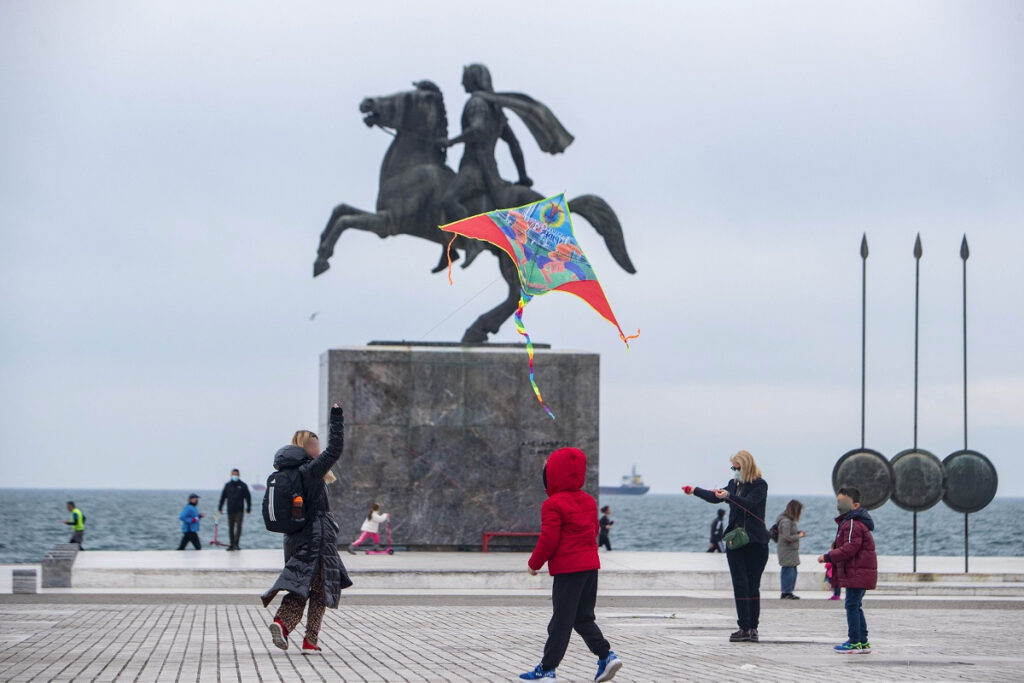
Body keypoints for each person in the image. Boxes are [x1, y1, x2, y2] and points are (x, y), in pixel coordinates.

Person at [520, 447, 622, 681]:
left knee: (561, 621)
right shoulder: (587, 500)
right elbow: (594, 531)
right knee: (583, 617)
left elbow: (549, 539)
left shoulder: (553, 504)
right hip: (590, 568)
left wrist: (534, 563)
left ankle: (547, 669)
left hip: (569, 570)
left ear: (554, 474)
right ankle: (606, 655)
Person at [261, 405, 352, 654]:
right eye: (314, 446)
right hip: (317, 539)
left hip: (294, 538)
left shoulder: (289, 473)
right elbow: (336, 449)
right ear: (304, 447)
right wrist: (337, 418)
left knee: (302, 583)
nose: (318, 450)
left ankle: (286, 625)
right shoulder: (311, 470)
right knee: (320, 589)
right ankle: (303, 636)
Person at [685, 450, 769, 642]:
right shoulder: (733, 484)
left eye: (736, 468)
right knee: (740, 585)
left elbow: (748, 504)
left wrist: (729, 496)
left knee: (752, 586)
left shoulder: (759, 485)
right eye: (733, 468)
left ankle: (752, 628)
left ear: (745, 466)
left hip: (756, 542)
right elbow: (716, 497)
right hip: (736, 542)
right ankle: (743, 627)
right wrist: (695, 490)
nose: (734, 471)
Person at [817, 486, 877, 654]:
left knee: (851, 605)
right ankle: (863, 641)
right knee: (856, 605)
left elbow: (850, 548)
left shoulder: (852, 523)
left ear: (855, 505)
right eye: (838, 501)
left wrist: (828, 556)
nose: (839, 505)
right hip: (858, 572)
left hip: (857, 572)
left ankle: (855, 641)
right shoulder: (852, 522)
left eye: (843, 502)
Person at [775, 499, 806, 599]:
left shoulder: (787, 520)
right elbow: (786, 537)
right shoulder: (786, 522)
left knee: (792, 571)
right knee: (788, 571)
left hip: (791, 551)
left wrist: (797, 533)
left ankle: (788, 591)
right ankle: (786, 592)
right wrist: (799, 536)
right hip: (787, 551)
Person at [217, 468, 252, 551]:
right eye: (233, 474)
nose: (235, 476)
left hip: (239, 510)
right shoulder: (227, 485)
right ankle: (231, 544)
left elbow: (248, 497)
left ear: (239, 475)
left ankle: (236, 544)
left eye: (236, 474)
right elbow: (223, 497)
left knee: (239, 527)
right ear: (231, 475)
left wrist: (248, 507)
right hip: (230, 510)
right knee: (231, 527)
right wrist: (220, 508)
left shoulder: (243, 485)